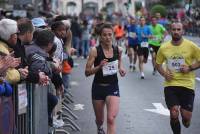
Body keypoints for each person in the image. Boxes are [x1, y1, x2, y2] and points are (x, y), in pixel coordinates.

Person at [156, 22, 200, 134]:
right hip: (170, 84)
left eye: (178, 29)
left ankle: (186, 120)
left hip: (187, 85)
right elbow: (158, 64)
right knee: (174, 113)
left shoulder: (191, 46)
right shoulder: (164, 47)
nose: (176, 32)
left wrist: (190, 68)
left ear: (182, 31)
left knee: (186, 118)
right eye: (174, 29)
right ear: (170, 31)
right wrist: (164, 74)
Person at [85, 23, 126, 134]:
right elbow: (87, 72)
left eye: (110, 34)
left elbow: (119, 63)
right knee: (100, 120)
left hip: (112, 87)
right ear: (100, 37)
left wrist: (121, 69)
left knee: (111, 118)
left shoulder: (118, 50)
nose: (107, 37)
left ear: (113, 35)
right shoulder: (95, 51)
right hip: (98, 87)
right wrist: (99, 66)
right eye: (104, 35)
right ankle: (99, 127)